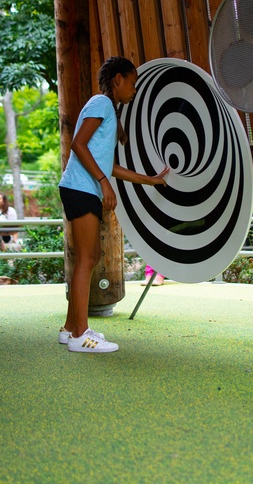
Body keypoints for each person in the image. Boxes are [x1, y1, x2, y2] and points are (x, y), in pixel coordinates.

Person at [58, 56, 169, 353]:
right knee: (87, 259)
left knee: (90, 257)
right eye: (132, 83)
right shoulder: (102, 103)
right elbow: (78, 145)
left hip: (84, 189)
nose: (134, 89)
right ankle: (81, 336)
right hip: (81, 188)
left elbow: (111, 166)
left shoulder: (107, 110)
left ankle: (70, 329)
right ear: (118, 79)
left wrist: (151, 180)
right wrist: (104, 183)